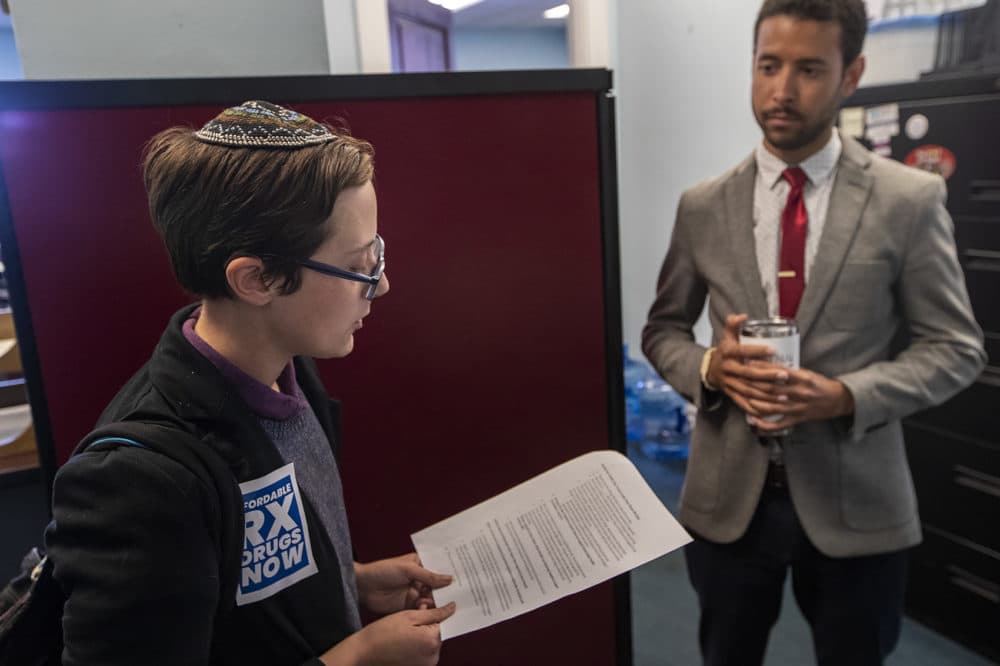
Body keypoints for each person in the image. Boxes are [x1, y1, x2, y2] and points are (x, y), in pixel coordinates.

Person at [44, 101, 455, 665]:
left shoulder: (288, 371)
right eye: (360, 263)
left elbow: (238, 572)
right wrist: (353, 660)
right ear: (257, 279)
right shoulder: (139, 483)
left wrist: (349, 581)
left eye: (377, 254)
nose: (379, 287)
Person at [641, 1, 986, 664]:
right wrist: (711, 368)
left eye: (808, 69)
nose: (781, 90)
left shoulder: (907, 200)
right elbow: (663, 331)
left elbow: (957, 347)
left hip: (858, 502)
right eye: (768, 66)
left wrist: (847, 395)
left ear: (850, 74)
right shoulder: (704, 206)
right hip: (728, 503)